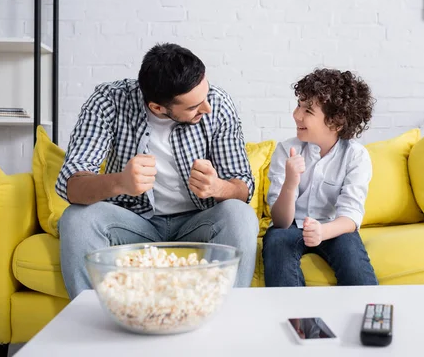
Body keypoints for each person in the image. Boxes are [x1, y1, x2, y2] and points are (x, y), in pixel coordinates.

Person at [56, 43, 258, 299]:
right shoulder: (109, 101)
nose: (206, 108)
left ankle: (223, 318)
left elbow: (242, 188)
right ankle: (101, 322)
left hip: (197, 223)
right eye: (194, 107)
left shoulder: (217, 104)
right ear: (157, 108)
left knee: (240, 214)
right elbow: (72, 184)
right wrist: (120, 182)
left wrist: (219, 187)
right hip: (132, 223)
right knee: (76, 218)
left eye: (205, 95)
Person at [262, 68, 378, 287]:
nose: (297, 115)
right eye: (299, 105)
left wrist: (322, 232)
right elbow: (280, 221)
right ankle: (294, 318)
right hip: (290, 226)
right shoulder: (287, 150)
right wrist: (290, 183)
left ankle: (365, 314)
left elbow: (350, 217)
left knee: (356, 267)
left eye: (308, 110)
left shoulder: (355, 156)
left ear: (336, 123)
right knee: (277, 241)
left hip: (334, 227)